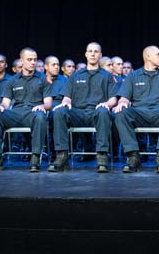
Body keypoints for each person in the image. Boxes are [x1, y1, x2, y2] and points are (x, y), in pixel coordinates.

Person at [49, 42, 117, 173]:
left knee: (103, 112)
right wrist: (66, 102)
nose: (92, 53)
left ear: (100, 55)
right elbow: (67, 96)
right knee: (59, 111)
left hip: (96, 112)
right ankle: (61, 155)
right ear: (86, 54)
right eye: (90, 51)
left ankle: (102, 156)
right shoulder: (76, 75)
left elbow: (113, 98)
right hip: (78, 113)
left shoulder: (107, 76)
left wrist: (107, 104)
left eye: (96, 51)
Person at [113, 45, 159, 173]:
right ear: (148, 57)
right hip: (139, 113)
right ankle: (133, 157)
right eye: (158, 55)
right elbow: (124, 98)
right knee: (120, 112)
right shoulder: (133, 76)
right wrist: (122, 103)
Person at [0, 47, 51, 172]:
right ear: (22, 61)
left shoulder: (43, 78)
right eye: (29, 59)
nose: (33, 62)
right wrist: (0, 107)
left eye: (35, 60)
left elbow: (48, 103)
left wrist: (42, 106)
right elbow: (6, 103)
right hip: (16, 113)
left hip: (33, 112)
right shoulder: (12, 80)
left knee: (40, 116)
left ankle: (35, 157)